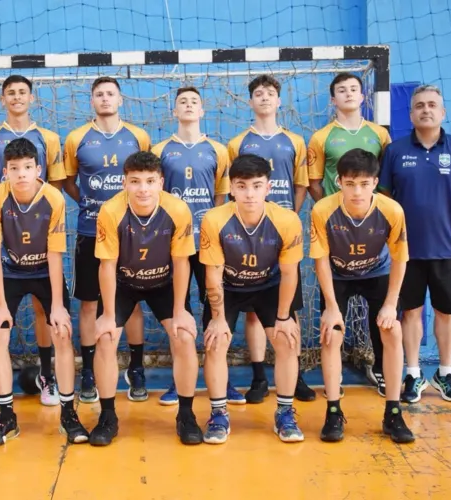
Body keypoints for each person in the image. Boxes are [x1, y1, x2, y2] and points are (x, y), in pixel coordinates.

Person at [0, 139, 89, 446]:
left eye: (28, 167)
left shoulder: (54, 198)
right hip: (10, 273)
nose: (21, 174)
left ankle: (69, 413)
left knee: (62, 330)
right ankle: (5, 416)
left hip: (44, 271)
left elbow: (56, 256)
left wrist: (57, 305)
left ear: (38, 169)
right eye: (14, 168)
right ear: (5, 172)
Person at [379, 84, 451, 404]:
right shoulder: (395, 151)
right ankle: (413, 373)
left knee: (446, 313)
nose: (426, 109)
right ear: (410, 114)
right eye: (419, 105)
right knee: (409, 313)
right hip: (406, 251)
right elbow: (383, 196)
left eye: (432, 105)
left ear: (442, 112)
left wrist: (447, 215)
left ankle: (445, 372)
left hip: (448, 247)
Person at [90, 151, 201, 446]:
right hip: (123, 283)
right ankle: (107, 416)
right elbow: (107, 265)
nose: (143, 189)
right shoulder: (111, 211)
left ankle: (187, 415)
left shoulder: (177, 210)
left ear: (161, 183)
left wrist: (179, 311)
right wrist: (109, 316)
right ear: (124, 182)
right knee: (105, 338)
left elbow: (181, 263)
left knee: (185, 336)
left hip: (163, 283)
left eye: (150, 181)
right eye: (135, 181)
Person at [198, 154, 306, 444]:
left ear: (268, 188)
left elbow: (289, 273)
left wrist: (283, 317)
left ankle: (285, 413)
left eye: (257, 186)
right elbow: (213, 273)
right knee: (216, 342)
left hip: (269, 285)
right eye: (242, 186)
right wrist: (218, 319)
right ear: (231, 188)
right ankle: (218, 414)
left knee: (286, 340)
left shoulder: (287, 220)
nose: (249, 193)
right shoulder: (214, 219)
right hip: (229, 287)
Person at [0, 75, 67, 408]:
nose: (16, 97)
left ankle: (48, 375)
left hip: (42, 258)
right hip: (9, 253)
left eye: (22, 92)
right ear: (2, 99)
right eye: (10, 93)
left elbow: (54, 187)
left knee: (51, 315)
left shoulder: (49, 141)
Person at [311, 149, 414, 443]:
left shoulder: (392, 210)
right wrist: (331, 308)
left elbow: (400, 259)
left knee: (392, 331)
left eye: (365, 183)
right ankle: (333, 411)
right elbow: (320, 260)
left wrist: (392, 304)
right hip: (339, 277)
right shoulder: (322, 211)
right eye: (351, 183)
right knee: (332, 332)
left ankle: (393, 413)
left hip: (377, 274)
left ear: (375, 182)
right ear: (338, 181)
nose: (358, 191)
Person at [151, 86, 245, 405]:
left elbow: (221, 198)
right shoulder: (160, 149)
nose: (189, 106)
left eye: (194, 102)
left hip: (207, 243)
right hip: (172, 243)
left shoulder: (217, 150)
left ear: (202, 111)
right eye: (182, 102)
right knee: (180, 309)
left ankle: (220, 378)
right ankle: (183, 379)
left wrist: (212, 230)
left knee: (213, 308)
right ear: (173, 111)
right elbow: (155, 196)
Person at [63, 76, 151, 404]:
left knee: (133, 300)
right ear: (92, 101)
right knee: (89, 302)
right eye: (99, 94)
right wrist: (90, 204)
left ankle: (137, 367)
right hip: (90, 232)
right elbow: (69, 181)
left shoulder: (137, 136)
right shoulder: (77, 138)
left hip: (132, 232)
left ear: (120, 99)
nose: (105, 98)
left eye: (110, 93)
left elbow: (148, 179)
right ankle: (88, 370)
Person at [227, 74, 314, 403]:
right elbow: (234, 190)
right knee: (253, 310)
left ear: (279, 101)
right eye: (258, 94)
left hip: (281, 235)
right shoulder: (238, 144)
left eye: (270, 94)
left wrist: (287, 218)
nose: (264, 98)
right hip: (248, 236)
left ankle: (296, 375)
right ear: (251, 102)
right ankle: (260, 376)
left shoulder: (295, 141)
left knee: (288, 308)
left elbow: (301, 185)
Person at [307, 72, 392, 395]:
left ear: (363, 96)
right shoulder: (321, 137)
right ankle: (334, 377)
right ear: (333, 99)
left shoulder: (380, 135)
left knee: (382, 313)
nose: (348, 94)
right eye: (341, 90)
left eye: (354, 89)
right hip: (336, 237)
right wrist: (335, 214)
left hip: (374, 238)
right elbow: (314, 183)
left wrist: (370, 216)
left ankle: (384, 370)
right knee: (333, 314)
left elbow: (385, 179)